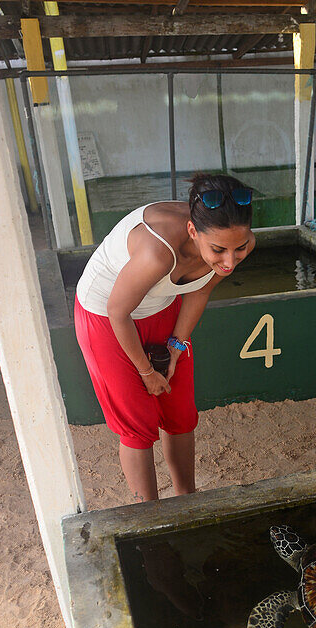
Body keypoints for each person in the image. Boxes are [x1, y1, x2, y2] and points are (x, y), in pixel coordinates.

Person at [74, 172, 255, 502]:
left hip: (159, 306)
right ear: (191, 231)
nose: (229, 261)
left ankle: (187, 499)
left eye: (239, 248)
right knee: (138, 424)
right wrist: (146, 372)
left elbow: (199, 292)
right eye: (218, 250)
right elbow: (118, 311)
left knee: (180, 411)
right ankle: (150, 513)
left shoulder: (235, 243)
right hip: (106, 315)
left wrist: (176, 346)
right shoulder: (157, 251)